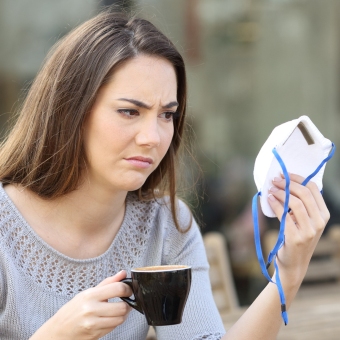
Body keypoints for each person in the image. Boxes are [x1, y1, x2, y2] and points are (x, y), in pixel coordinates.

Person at [0, 9, 329, 340]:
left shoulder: (166, 224)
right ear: (70, 111)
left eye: (167, 115)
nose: (152, 137)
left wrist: (289, 271)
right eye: (130, 111)